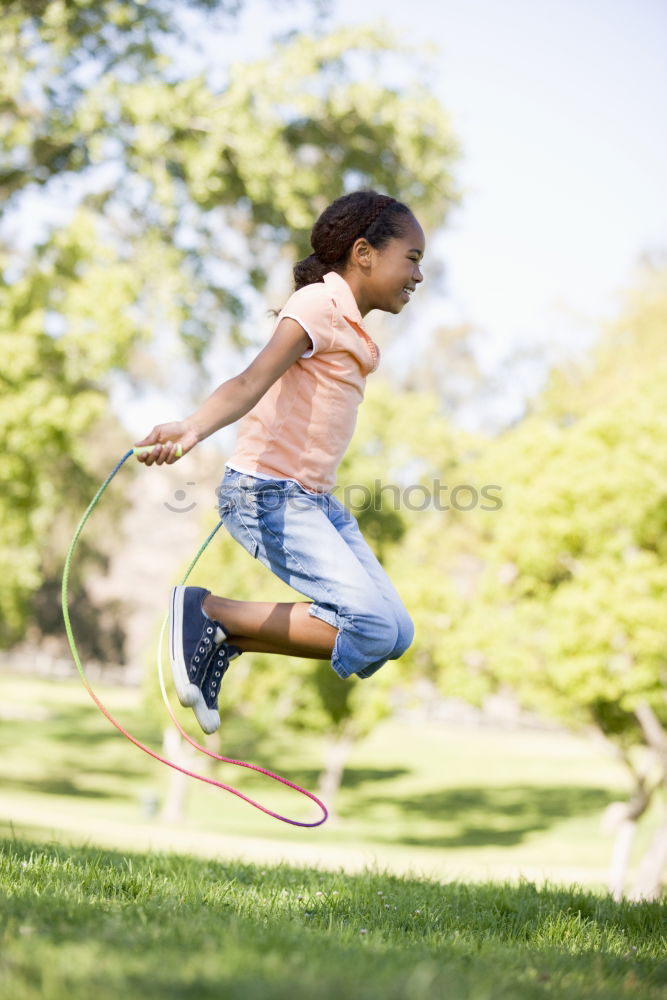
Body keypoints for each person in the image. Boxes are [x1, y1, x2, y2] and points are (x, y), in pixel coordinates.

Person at [135, 190, 425, 734]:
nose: (418, 275)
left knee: (396, 634)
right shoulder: (319, 305)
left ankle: (223, 634)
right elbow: (251, 380)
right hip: (266, 495)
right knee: (366, 625)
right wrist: (192, 427)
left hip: (316, 503)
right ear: (363, 253)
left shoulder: (352, 327)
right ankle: (211, 612)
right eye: (411, 258)